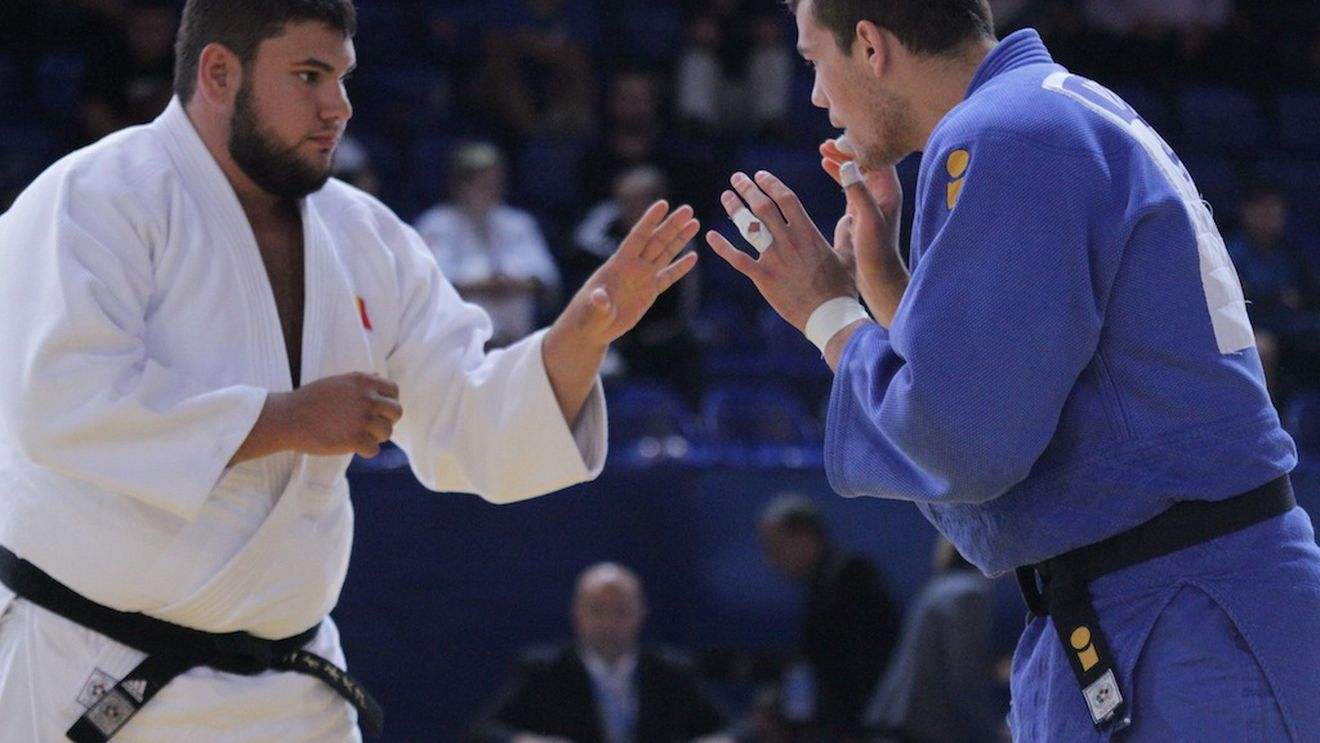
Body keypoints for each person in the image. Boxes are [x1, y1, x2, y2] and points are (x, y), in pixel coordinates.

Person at [0, 1, 700, 740]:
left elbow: (468, 412)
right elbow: (60, 405)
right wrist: (286, 418)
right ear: (218, 72)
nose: (338, 105)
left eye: (342, 76)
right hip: (99, 675)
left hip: (291, 693)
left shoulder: (364, 235)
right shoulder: (93, 198)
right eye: (308, 75)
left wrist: (582, 333)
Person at [705, 0, 1320, 740]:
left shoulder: (1004, 134)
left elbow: (965, 447)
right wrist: (891, 288)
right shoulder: (1051, 111)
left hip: (1186, 621)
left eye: (813, 60)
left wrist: (828, 315)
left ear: (869, 45)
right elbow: (1011, 383)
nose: (814, 96)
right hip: (1183, 606)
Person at [463, 562, 738, 743]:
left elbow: (729, 730)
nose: (609, 624)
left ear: (640, 615)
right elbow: (482, 733)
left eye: (621, 612)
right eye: (596, 611)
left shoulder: (671, 672)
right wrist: (526, 741)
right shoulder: (545, 671)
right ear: (576, 614)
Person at [757, 493, 901, 742]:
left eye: (775, 546)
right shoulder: (827, 581)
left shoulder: (849, 578)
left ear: (805, 538)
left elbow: (863, 666)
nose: (771, 560)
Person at [570, 165, 705, 401]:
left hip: (654, 334)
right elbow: (580, 269)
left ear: (657, 205)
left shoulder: (677, 241)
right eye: (622, 200)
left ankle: (682, 425)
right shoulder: (600, 234)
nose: (628, 208)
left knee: (688, 349)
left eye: (637, 201)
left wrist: (640, 334)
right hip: (603, 329)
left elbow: (683, 308)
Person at [415, 141, 561, 348]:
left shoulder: (518, 222)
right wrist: (484, 284)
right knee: (474, 269)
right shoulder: (435, 223)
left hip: (515, 342)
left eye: (495, 183)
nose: (491, 190)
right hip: (457, 345)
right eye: (481, 184)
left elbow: (546, 279)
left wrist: (512, 283)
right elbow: (431, 283)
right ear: (458, 185)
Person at [864, 537, 1005, 743]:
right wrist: (991, 735)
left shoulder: (939, 589)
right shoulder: (968, 593)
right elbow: (963, 675)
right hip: (924, 731)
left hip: (901, 726)